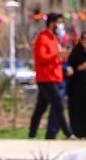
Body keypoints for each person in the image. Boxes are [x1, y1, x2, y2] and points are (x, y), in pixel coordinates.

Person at [28, 12, 69, 140]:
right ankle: (69, 133)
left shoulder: (54, 39)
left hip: (55, 76)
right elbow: (42, 58)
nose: (60, 25)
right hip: (46, 78)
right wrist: (56, 56)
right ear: (52, 23)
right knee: (58, 105)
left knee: (41, 107)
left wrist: (63, 56)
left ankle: (32, 134)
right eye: (58, 22)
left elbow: (57, 59)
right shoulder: (43, 38)